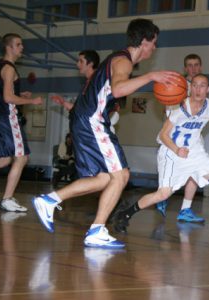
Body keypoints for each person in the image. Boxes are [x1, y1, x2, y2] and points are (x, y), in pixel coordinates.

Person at [32, 18, 182, 249]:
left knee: (104, 178)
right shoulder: (123, 61)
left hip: (86, 120)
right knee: (121, 176)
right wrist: (151, 77)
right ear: (144, 41)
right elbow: (119, 88)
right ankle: (96, 229)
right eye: (154, 43)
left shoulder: (117, 59)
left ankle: (51, 200)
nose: (154, 48)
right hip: (92, 121)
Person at [112, 73, 209, 234]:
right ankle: (125, 214)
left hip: (195, 152)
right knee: (163, 194)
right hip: (171, 152)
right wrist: (177, 149)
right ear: (190, 87)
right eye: (195, 85)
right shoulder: (179, 106)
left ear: (208, 89)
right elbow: (163, 135)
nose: (198, 89)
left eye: (202, 86)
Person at [155, 54, 209, 223]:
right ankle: (163, 196)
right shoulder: (179, 86)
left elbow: (205, 110)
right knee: (171, 175)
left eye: (196, 65)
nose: (193, 68)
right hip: (175, 137)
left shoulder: (201, 85)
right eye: (189, 65)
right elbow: (168, 108)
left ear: (201, 67)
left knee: (196, 172)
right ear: (185, 68)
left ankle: (185, 209)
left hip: (193, 138)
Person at [0, 33, 43, 212]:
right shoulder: (9, 68)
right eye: (18, 44)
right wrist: (31, 101)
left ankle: (8, 199)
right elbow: (8, 97)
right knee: (22, 157)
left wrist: (20, 94)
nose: (22, 47)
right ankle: (7, 199)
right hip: (8, 118)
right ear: (9, 47)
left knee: (4, 160)